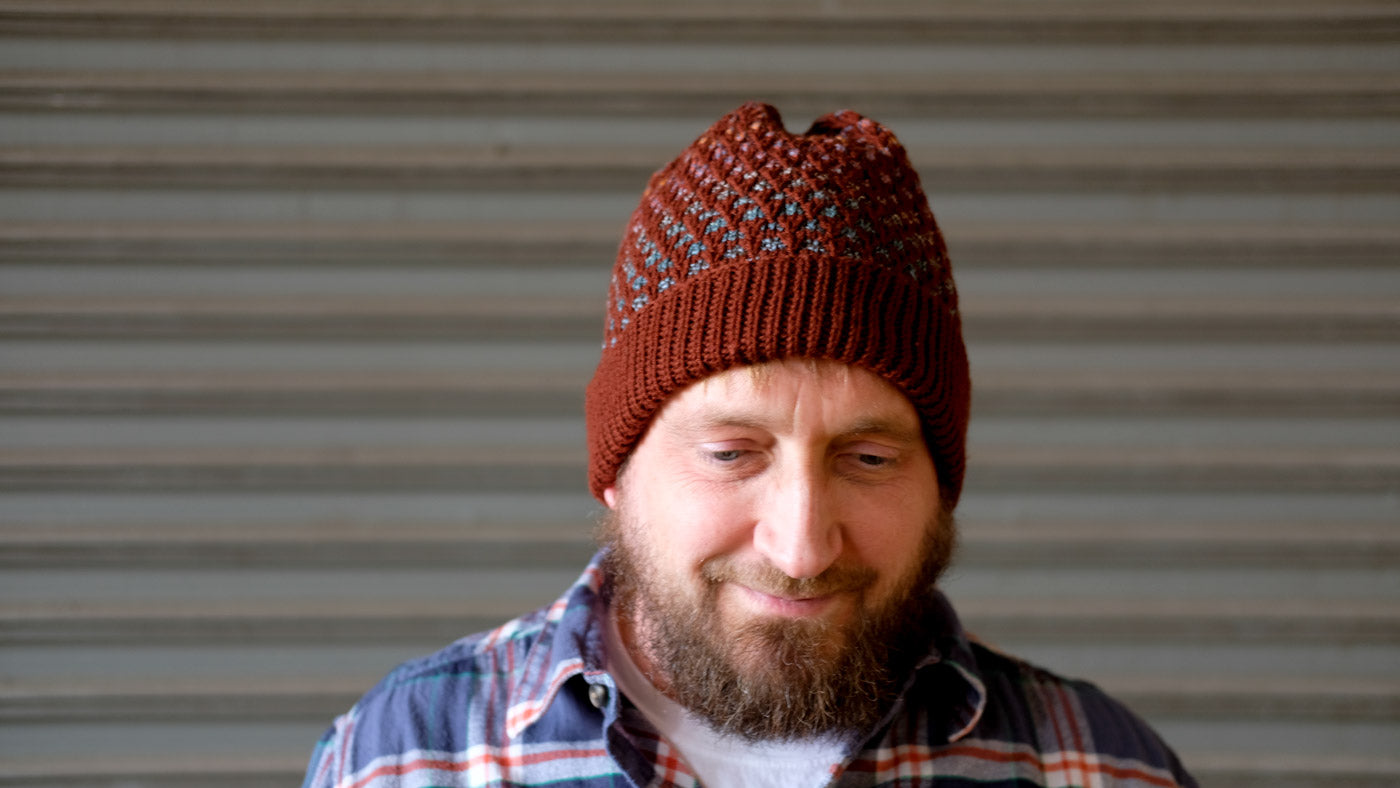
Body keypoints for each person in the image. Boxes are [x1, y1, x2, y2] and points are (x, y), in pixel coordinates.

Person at [302, 102, 1196, 788]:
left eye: (869, 459)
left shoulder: (1103, 768)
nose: (802, 546)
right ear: (616, 472)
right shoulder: (411, 762)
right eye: (732, 454)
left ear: (941, 485)